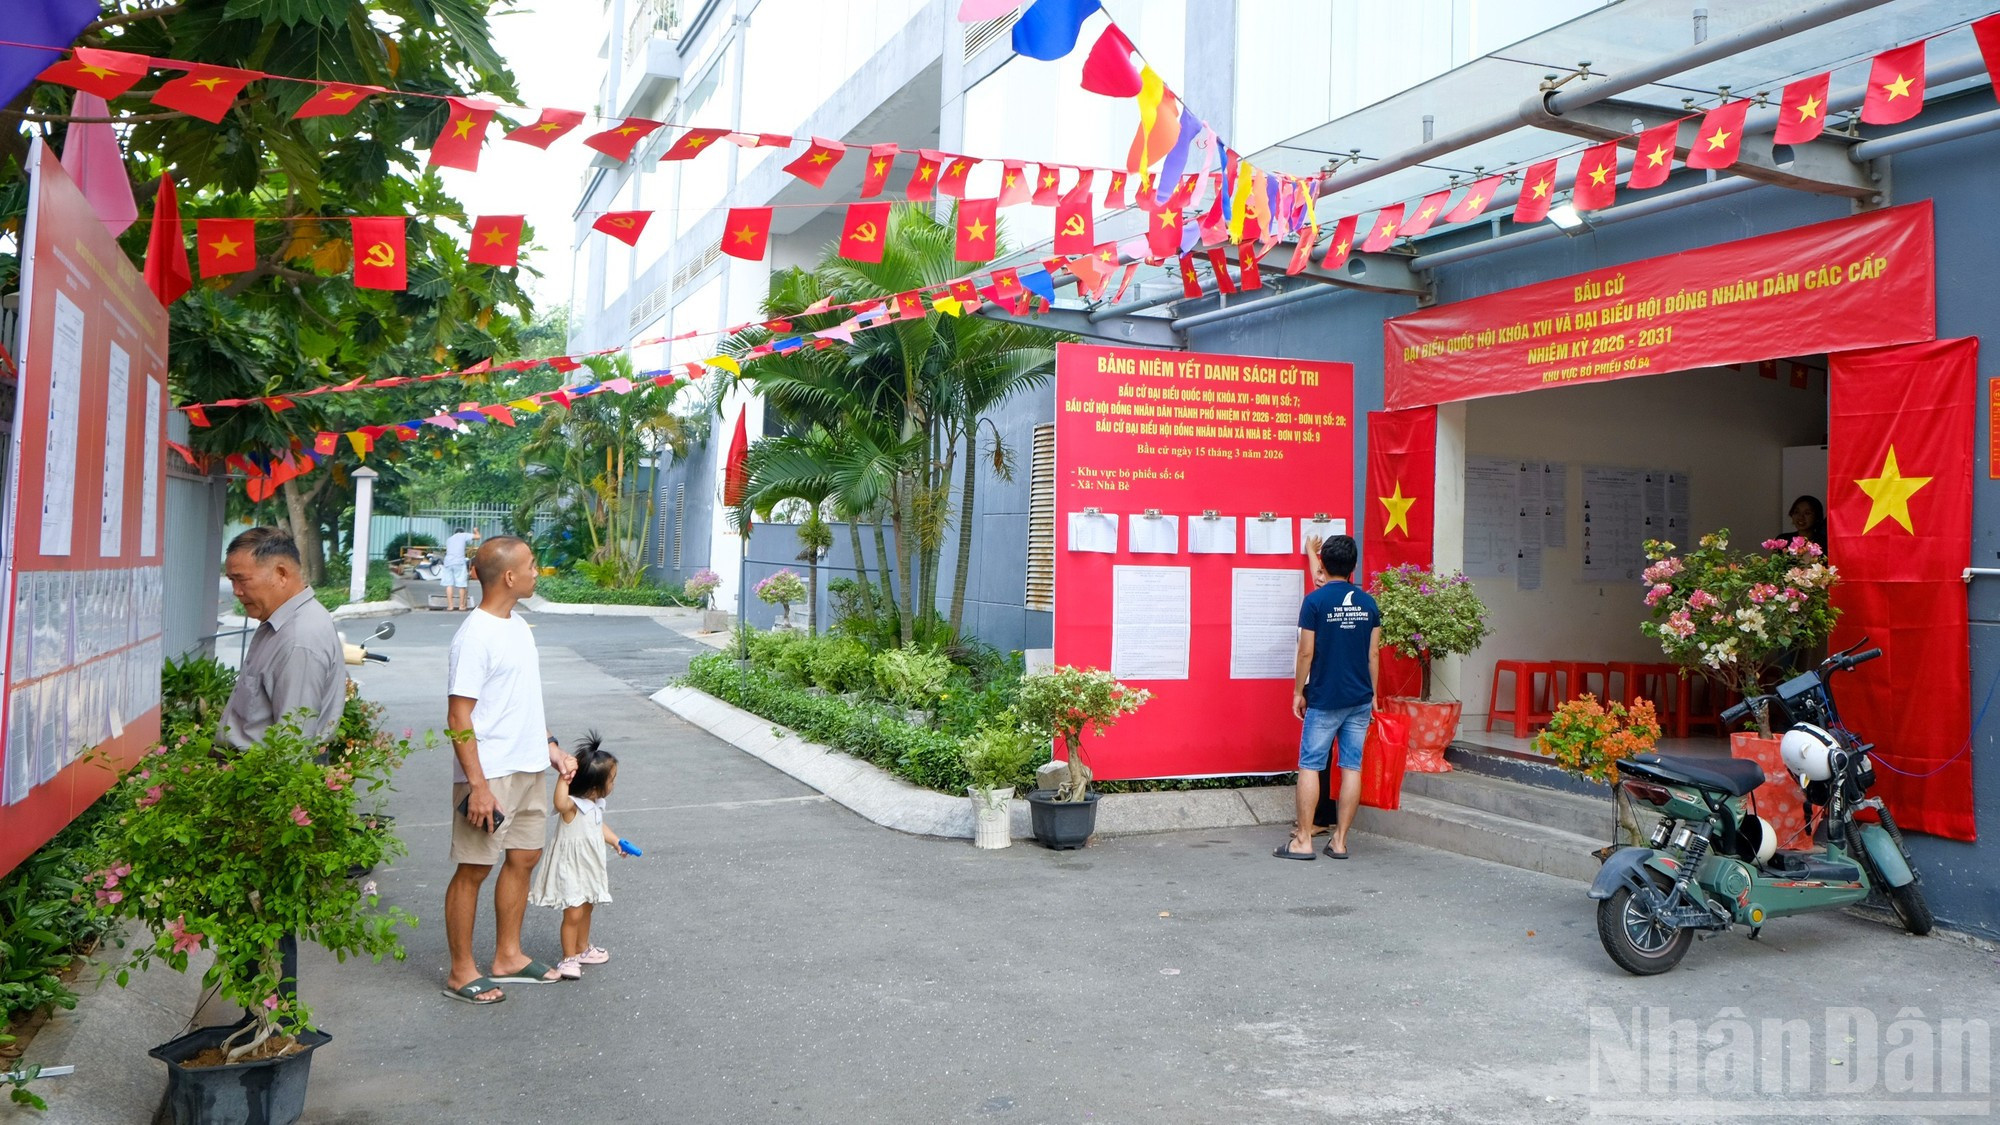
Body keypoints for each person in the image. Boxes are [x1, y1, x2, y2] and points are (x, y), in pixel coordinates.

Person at [217, 526, 348, 1012]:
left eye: (242, 579)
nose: (236, 590)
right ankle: (264, 1021)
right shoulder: (281, 623)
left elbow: (291, 748)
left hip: (270, 792)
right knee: (258, 916)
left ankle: (273, 1024)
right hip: (255, 785)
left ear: (281, 573)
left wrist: (264, 816)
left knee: (264, 918)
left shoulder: (299, 638)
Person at [442, 536, 575, 1005]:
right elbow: (459, 718)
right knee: (474, 868)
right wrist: (477, 787)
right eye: (532, 566)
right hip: (491, 773)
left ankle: (509, 956)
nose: (539, 572)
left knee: (523, 859)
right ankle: (462, 971)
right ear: (510, 577)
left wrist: (551, 747)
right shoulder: (474, 636)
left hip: (528, 766)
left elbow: (523, 701)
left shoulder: (519, 626)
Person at [1276, 535, 1381, 863]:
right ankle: (1339, 841)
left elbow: (1306, 651)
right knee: (1351, 766)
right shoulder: (1368, 603)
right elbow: (1373, 653)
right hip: (1360, 698)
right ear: (1353, 566)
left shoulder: (1315, 602)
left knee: (1310, 764)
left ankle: (1304, 840)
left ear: (1324, 565)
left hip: (1324, 698)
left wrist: (1297, 692)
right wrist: (1374, 695)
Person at [529, 733, 635, 979]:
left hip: (589, 866)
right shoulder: (572, 807)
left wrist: (617, 841)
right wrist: (564, 777)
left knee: (588, 907)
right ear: (595, 786)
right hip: (571, 868)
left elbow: (599, 827)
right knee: (574, 912)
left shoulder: (595, 805)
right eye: (612, 779)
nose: (614, 784)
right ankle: (568, 958)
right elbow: (559, 800)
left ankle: (582, 948)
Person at [440, 527, 481, 611]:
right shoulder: (463, 535)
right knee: (461, 585)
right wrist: (475, 530)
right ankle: (461, 606)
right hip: (459, 562)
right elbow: (478, 537)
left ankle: (450, 606)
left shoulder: (449, 539)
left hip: (448, 562)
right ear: (462, 532)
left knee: (449, 584)